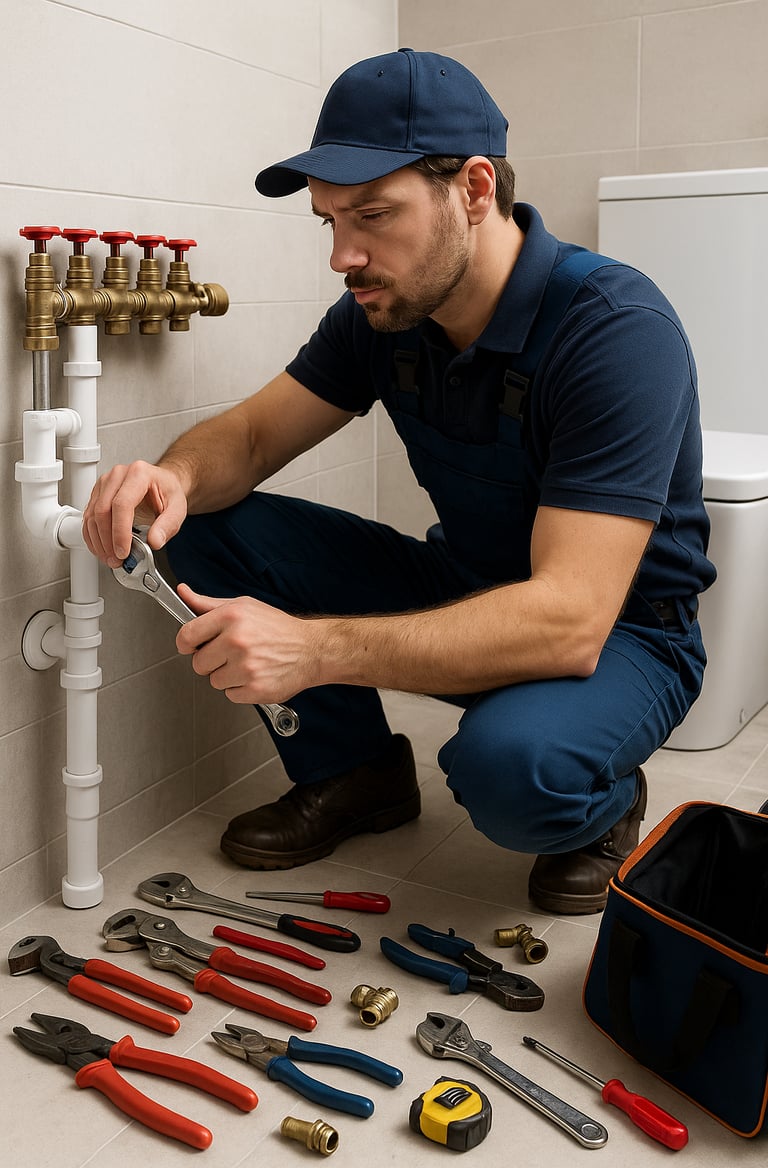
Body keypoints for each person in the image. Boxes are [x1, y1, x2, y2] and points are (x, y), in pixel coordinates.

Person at [83, 48, 715, 915]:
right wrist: (173, 474)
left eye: (373, 215)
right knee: (193, 524)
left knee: (510, 768)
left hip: (621, 637)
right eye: (330, 222)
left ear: (475, 190)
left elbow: (570, 619)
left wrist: (314, 649)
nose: (345, 255)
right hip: (464, 581)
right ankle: (357, 774)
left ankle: (604, 802)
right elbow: (257, 433)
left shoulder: (614, 332)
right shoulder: (383, 312)